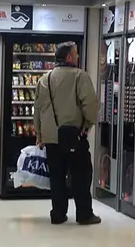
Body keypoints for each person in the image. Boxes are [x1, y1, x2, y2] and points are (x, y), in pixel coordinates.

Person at [34, 42, 101, 225]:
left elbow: (38, 109)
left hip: (51, 138)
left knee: (56, 177)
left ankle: (58, 214)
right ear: (70, 57)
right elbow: (91, 105)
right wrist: (88, 125)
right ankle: (84, 214)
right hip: (74, 136)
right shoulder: (80, 76)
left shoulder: (44, 79)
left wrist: (39, 133)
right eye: (76, 54)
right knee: (81, 175)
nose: (78, 57)